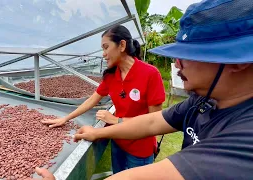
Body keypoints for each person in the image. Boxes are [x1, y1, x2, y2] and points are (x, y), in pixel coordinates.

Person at [32, 0, 253, 179]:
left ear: (237, 60)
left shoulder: (245, 135)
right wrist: (96, 132)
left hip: (140, 149)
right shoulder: (201, 101)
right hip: (121, 142)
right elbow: (153, 121)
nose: (176, 63)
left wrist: (114, 120)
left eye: (188, 53)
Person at [41, 25, 166, 173]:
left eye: (106, 47)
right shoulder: (111, 76)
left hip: (140, 149)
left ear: (122, 45)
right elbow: (91, 100)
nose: (103, 54)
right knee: (117, 174)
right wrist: (66, 118)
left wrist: (116, 120)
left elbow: (155, 122)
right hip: (118, 140)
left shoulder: (150, 74)